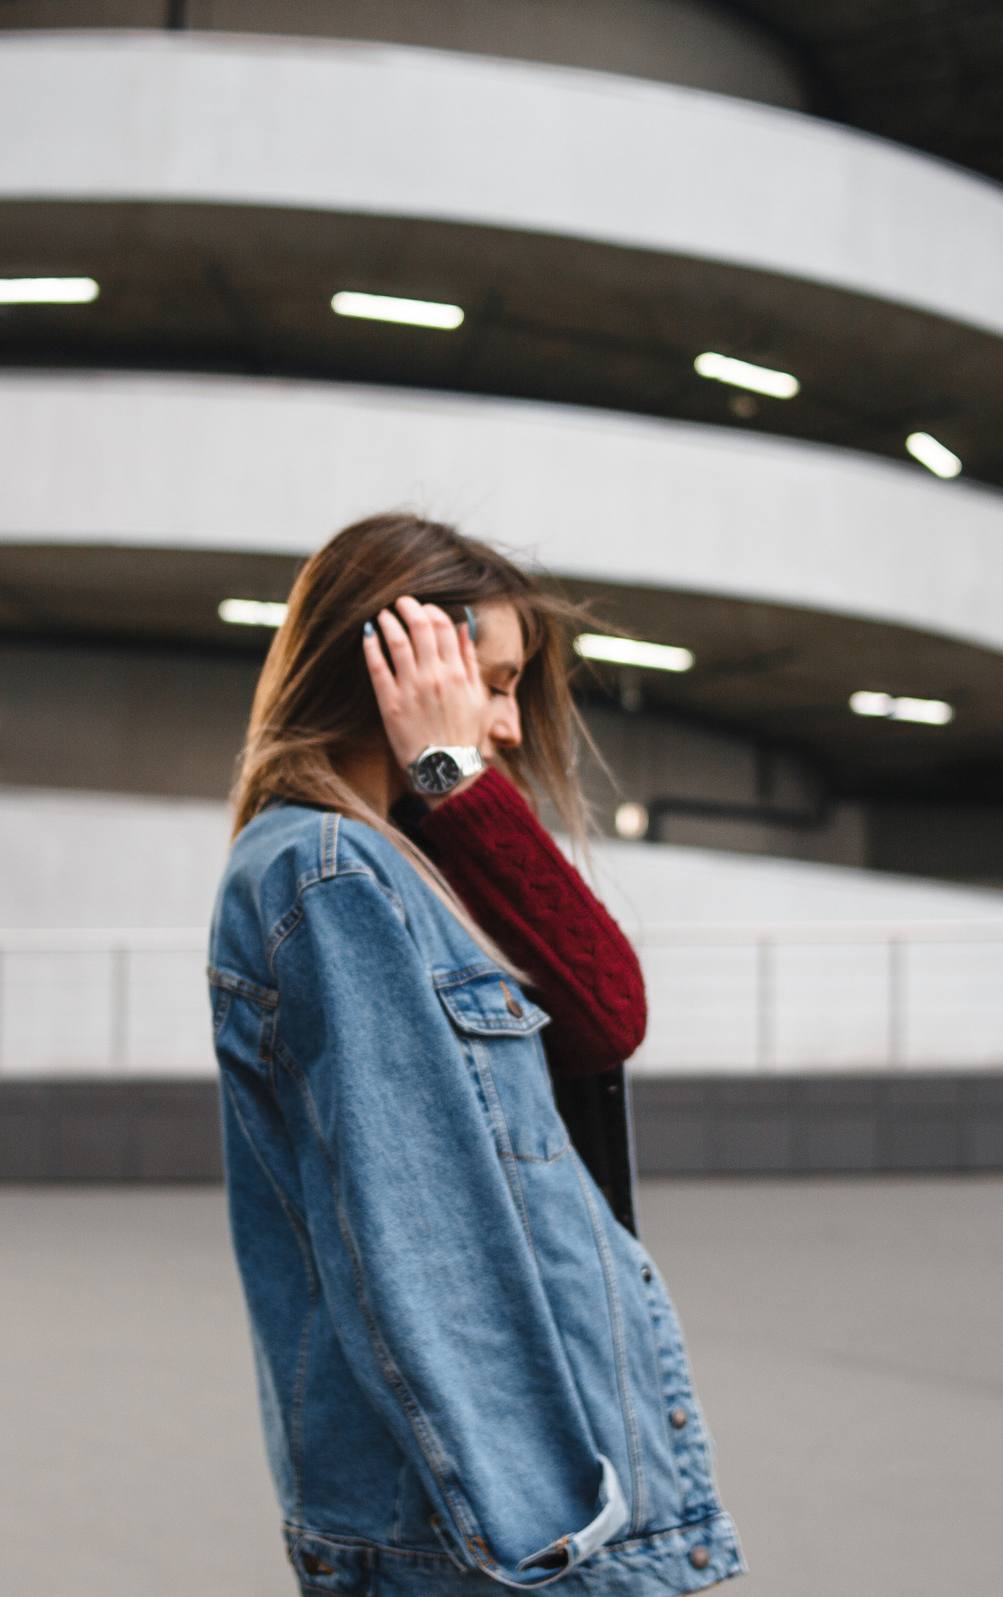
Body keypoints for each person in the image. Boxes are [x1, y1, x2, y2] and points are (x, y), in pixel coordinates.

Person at [209, 513, 745, 1595]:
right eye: (489, 682)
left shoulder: (393, 863)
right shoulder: (329, 875)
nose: (505, 723)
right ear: (393, 662)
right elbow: (424, 1240)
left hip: (496, 1520)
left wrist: (455, 785)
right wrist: (556, 1540)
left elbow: (606, 1011)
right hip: (491, 1541)